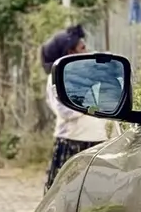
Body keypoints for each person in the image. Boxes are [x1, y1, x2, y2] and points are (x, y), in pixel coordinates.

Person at [40, 24, 108, 190]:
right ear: (70, 52)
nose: (87, 50)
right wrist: (92, 103)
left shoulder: (89, 73)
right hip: (73, 144)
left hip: (99, 142)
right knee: (65, 195)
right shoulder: (56, 77)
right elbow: (66, 110)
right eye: (82, 47)